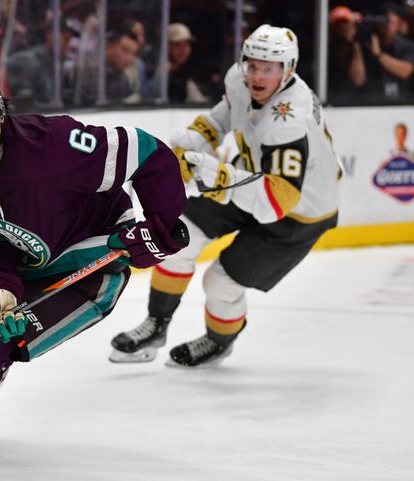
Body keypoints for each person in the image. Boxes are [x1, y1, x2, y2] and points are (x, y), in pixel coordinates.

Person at [0, 59, 189, 460]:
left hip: (93, 265)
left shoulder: (54, 145)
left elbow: (146, 152)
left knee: (3, 343)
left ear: (0, 112)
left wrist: (160, 227)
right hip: (27, 264)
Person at [110, 24, 341, 367]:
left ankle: (219, 340)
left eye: (269, 68)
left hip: (299, 211)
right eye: (253, 64)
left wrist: (211, 171)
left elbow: (275, 201)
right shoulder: (241, 77)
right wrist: (191, 142)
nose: (257, 75)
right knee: (179, 237)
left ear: (288, 70)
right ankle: (156, 325)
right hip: (251, 179)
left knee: (221, 282)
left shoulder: (290, 118)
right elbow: (225, 113)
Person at [145, 23, 208, 104]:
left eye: (187, 45)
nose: (183, 50)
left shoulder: (186, 70)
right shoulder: (156, 68)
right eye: (177, 45)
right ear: (167, 46)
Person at [364, 3, 414, 101]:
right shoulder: (366, 42)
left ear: (400, 24)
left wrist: (379, 55)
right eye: (385, 21)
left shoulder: (406, 45)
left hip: (402, 101)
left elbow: (405, 71)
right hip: (367, 101)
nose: (388, 26)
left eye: (393, 23)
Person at [327, 5, 367, 102]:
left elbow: (359, 80)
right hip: (334, 98)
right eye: (338, 24)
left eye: (346, 22)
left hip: (358, 99)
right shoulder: (326, 50)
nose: (343, 27)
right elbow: (358, 80)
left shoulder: (359, 45)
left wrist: (354, 42)